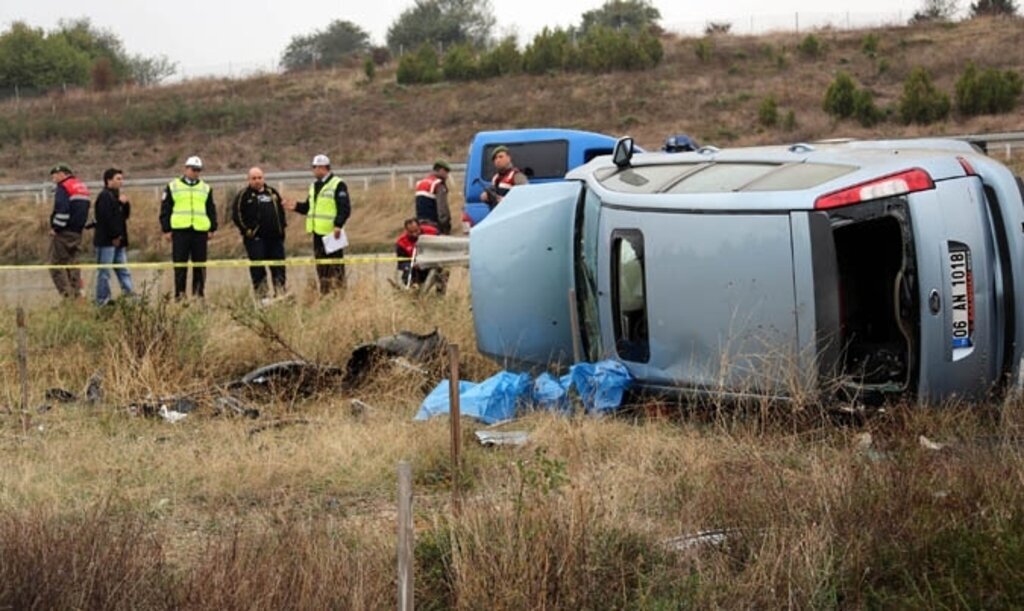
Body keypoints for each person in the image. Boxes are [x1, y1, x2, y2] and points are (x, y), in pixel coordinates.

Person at [284, 154, 351, 294]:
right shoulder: (314, 186)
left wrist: (338, 225)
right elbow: (309, 207)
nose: (313, 170)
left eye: (314, 167)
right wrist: (296, 207)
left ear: (322, 168)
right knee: (322, 268)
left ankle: (340, 294)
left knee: (336, 267)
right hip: (317, 233)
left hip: (332, 234)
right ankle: (325, 294)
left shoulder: (338, 184)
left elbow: (344, 208)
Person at [159, 156, 217, 300]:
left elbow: (211, 209)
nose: (195, 172)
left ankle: (198, 295)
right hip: (180, 231)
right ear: (186, 169)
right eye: (193, 169)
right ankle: (180, 296)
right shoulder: (173, 186)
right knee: (180, 265)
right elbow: (165, 209)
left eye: (198, 170)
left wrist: (212, 228)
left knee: (200, 265)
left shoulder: (205, 188)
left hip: (199, 231)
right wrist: (166, 229)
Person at [232, 167, 287, 299]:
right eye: (254, 178)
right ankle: (262, 296)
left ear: (263, 178)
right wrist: (247, 231)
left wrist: (282, 229)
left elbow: (281, 212)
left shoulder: (272, 192)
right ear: (248, 179)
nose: (257, 181)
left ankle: (280, 293)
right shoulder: (244, 195)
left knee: (278, 267)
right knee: (258, 268)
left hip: (275, 238)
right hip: (256, 239)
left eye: (259, 178)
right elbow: (237, 215)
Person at [47, 163, 90, 299]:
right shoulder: (81, 187)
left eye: (54, 176)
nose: (53, 179)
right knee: (73, 264)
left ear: (62, 174)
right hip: (77, 232)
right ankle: (77, 295)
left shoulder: (63, 187)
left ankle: (68, 297)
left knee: (56, 265)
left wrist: (56, 228)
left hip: (64, 232)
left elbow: (62, 211)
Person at [93, 167, 134, 305]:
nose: (121, 182)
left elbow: (124, 217)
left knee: (123, 270)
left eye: (122, 179)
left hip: (119, 241)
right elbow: (107, 218)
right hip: (106, 242)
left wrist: (125, 204)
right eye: (118, 179)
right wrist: (115, 236)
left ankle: (129, 295)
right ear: (108, 180)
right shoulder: (105, 196)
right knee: (104, 272)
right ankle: (102, 299)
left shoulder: (117, 197)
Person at [395, 218, 437, 286]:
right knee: (408, 273)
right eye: (411, 232)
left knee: (443, 270)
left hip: (432, 263)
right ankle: (414, 288)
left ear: (420, 227)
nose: (414, 234)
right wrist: (412, 265)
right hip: (415, 268)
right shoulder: (401, 243)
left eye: (416, 231)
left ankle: (439, 291)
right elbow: (401, 263)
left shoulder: (432, 232)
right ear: (406, 230)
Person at [414, 160, 452, 234]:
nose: (447, 176)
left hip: (421, 223)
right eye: (446, 172)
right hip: (433, 224)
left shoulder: (421, 183)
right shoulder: (438, 184)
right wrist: (446, 225)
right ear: (441, 170)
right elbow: (442, 207)